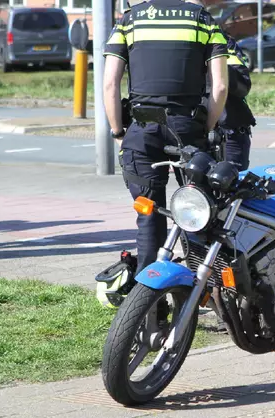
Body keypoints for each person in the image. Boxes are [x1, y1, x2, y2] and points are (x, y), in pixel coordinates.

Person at [102, 0, 229, 280]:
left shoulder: (130, 20)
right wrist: (205, 127)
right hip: (188, 129)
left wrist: (118, 132)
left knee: (149, 219)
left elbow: (110, 83)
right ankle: (203, 292)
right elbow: (219, 85)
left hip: (142, 129)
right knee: (200, 214)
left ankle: (150, 307)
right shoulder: (203, 19)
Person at [220, 33, 256, 171]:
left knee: (233, 185)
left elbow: (243, 85)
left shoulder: (223, 41)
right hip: (191, 130)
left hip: (230, 129)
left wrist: (217, 64)